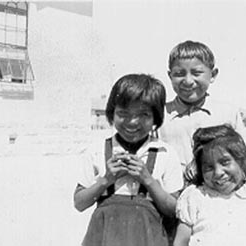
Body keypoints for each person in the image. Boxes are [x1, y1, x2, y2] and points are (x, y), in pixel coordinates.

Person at [74, 74, 184, 246]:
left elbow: (174, 210)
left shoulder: (166, 153)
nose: (132, 122)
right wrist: (106, 180)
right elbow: (79, 203)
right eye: (123, 114)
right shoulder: (96, 150)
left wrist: (147, 180)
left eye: (143, 115)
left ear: (156, 117)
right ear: (111, 114)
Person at [173, 124, 246, 246]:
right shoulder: (195, 197)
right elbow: (180, 242)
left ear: (241, 160)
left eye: (225, 162)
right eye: (209, 167)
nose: (218, 173)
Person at [159, 40, 243, 183]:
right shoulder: (159, 116)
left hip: (218, 193)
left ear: (213, 75)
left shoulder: (227, 114)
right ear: (170, 76)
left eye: (196, 73)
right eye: (179, 74)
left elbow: (242, 159)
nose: (188, 81)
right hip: (171, 196)